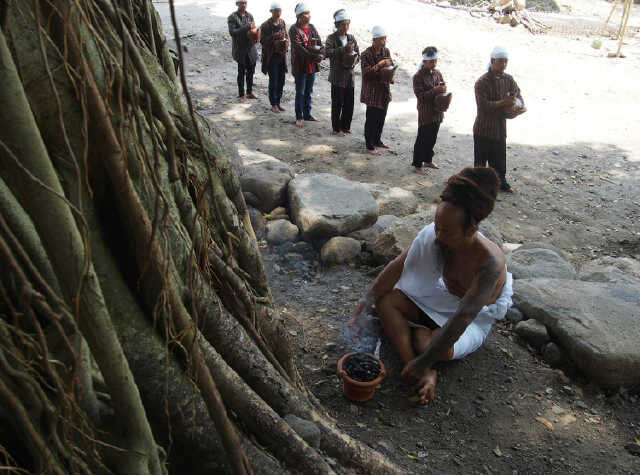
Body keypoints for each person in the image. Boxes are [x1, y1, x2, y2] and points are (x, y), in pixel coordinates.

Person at [353, 167, 513, 404]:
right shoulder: (436, 235)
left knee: (426, 344)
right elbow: (397, 266)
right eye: (437, 225)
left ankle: (422, 356)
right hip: (439, 300)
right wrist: (364, 305)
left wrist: (426, 358)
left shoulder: (489, 264)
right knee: (387, 301)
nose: (437, 235)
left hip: (471, 319)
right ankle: (418, 369)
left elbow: (464, 317)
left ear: (471, 229)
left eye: (446, 231)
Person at [473, 46, 526, 193]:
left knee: (499, 159)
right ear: (492, 61)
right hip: (483, 128)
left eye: (505, 62)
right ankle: (479, 187)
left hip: (500, 128)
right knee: (481, 162)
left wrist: (519, 105)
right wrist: (502, 103)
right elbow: (483, 106)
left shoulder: (508, 79)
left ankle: (501, 184)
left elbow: (518, 94)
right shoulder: (482, 82)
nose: (503, 65)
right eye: (500, 61)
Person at [325, 9, 359, 136]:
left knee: (349, 102)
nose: (345, 27)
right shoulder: (331, 38)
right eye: (343, 24)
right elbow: (327, 52)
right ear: (337, 25)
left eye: (347, 24)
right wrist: (342, 49)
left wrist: (353, 63)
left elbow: (358, 55)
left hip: (349, 76)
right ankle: (336, 128)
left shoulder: (351, 38)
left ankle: (345, 126)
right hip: (337, 77)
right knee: (337, 103)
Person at [412, 46, 446, 175]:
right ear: (425, 62)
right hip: (425, 112)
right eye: (431, 61)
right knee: (422, 138)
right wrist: (434, 91)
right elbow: (420, 95)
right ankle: (417, 164)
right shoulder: (418, 76)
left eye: (435, 61)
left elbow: (442, 85)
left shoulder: (437, 73)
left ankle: (428, 160)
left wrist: (443, 90)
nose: (434, 64)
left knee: (432, 137)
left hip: (437, 111)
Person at [289, 3, 323, 127]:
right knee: (300, 92)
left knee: (309, 91)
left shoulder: (312, 27)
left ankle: (307, 113)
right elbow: (299, 49)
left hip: (311, 66)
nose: (308, 16)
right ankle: (299, 116)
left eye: (309, 13)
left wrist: (322, 54)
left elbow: (319, 42)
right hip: (300, 66)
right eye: (306, 13)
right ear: (299, 16)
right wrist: (315, 56)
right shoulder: (294, 29)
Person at [360, 25, 393, 156]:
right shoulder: (366, 54)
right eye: (381, 39)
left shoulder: (386, 52)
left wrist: (391, 74)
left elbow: (391, 65)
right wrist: (379, 65)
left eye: (385, 39)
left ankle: (377, 140)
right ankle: (369, 144)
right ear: (374, 39)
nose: (384, 41)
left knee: (381, 117)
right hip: (372, 92)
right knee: (372, 118)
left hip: (383, 90)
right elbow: (366, 74)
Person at [228, 1, 258, 103]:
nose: (244, 5)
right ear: (237, 4)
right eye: (241, 3)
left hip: (250, 48)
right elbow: (232, 32)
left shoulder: (250, 16)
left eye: (245, 2)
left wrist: (255, 34)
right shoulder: (232, 17)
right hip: (240, 49)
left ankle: (249, 92)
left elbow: (253, 29)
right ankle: (241, 95)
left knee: (251, 70)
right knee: (241, 72)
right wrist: (246, 28)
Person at [260, 2, 288, 113]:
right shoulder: (266, 25)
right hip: (271, 57)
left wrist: (285, 42)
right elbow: (262, 41)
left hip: (281, 56)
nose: (278, 13)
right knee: (274, 81)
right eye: (276, 10)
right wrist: (273, 37)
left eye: (280, 10)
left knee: (281, 80)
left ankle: (278, 102)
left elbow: (286, 36)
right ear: (271, 11)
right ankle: (273, 103)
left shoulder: (282, 23)